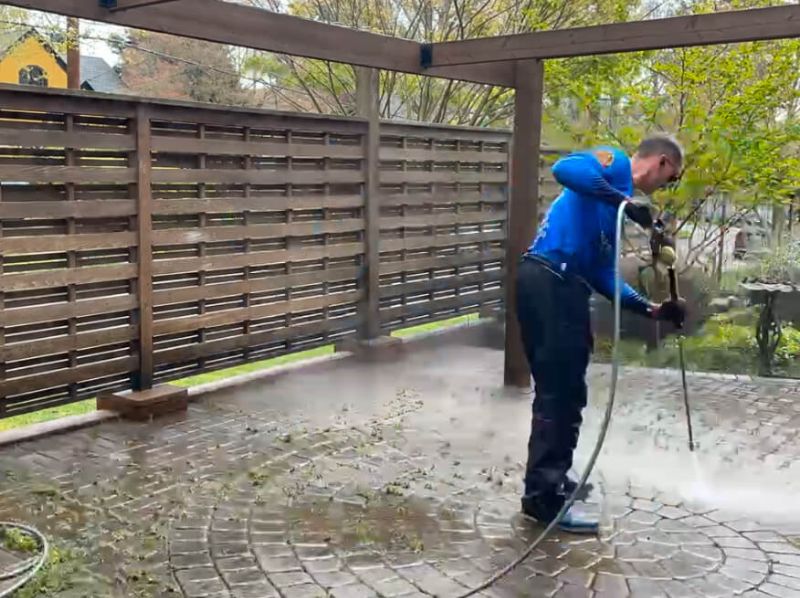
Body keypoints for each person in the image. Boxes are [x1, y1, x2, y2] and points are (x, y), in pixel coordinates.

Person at [516, 135, 687, 534]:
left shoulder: (614, 211)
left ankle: (553, 479)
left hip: (561, 284)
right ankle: (543, 499)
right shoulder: (614, 164)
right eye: (671, 179)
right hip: (549, 279)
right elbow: (565, 169)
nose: (666, 187)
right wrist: (623, 202)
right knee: (560, 393)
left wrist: (652, 309)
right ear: (661, 163)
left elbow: (602, 275)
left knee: (565, 390)